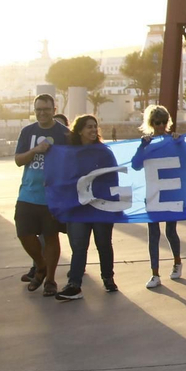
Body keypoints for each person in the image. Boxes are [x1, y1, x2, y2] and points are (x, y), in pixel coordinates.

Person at [12, 93, 70, 296]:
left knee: (51, 236)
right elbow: (19, 160)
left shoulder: (64, 133)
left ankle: (50, 280)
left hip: (53, 197)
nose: (42, 113)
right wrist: (36, 150)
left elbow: (74, 162)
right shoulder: (28, 131)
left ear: (54, 110)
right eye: (38, 110)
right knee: (24, 233)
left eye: (46, 109)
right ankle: (40, 265)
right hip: (28, 193)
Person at [57, 114, 118, 300]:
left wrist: (112, 203)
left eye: (95, 126)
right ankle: (74, 284)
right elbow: (63, 177)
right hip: (78, 208)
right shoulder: (70, 153)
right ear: (80, 130)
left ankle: (108, 277)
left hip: (100, 206)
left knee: (103, 243)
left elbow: (113, 177)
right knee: (79, 246)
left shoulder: (105, 152)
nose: (92, 130)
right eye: (88, 127)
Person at [130, 105, 186, 289]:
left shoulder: (174, 140)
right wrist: (142, 146)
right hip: (154, 193)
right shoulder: (148, 144)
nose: (161, 126)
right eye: (157, 122)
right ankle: (154, 273)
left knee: (171, 232)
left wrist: (180, 142)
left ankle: (177, 262)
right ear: (151, 123)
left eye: (164, 122)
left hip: (172, 193)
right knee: (153, 235)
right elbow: (135, 165)